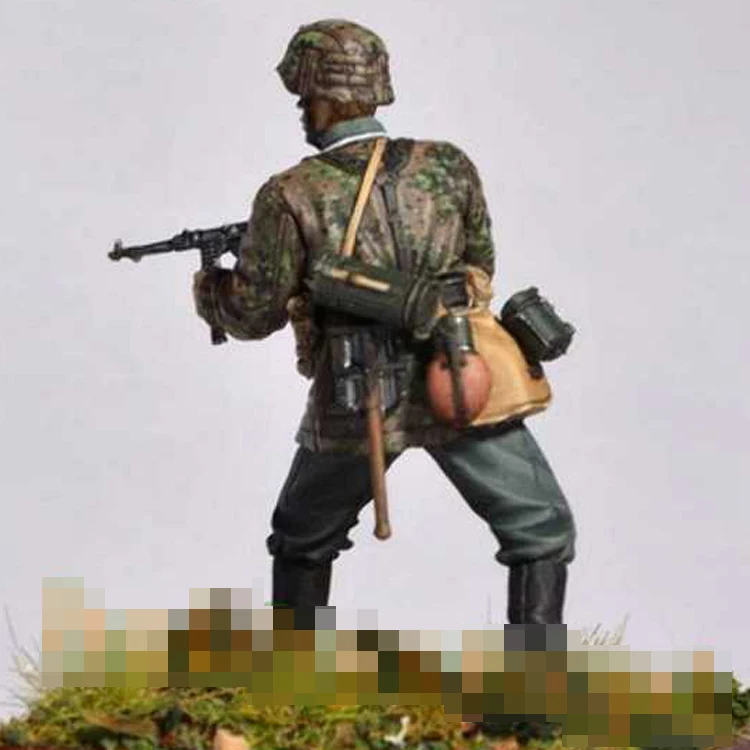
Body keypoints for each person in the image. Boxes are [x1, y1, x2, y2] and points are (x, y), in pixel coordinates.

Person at [193, 19, 576, 630]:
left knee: (302, 537)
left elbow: (252, 314)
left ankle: (295, 677)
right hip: (458, 373)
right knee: (541, 527)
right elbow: (479, 267)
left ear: (321, 97)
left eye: (305, 98)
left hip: (359, 390)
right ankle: (536, 686)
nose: (303, 110)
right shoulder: (449, 166)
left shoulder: (290, 193)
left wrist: (211, 290)